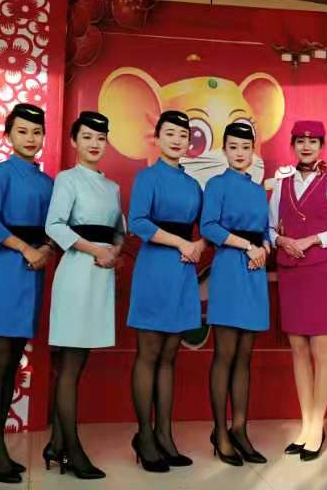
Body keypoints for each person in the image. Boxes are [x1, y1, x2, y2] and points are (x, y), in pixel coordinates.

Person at [0, 103, 54, 483]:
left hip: (34, 272)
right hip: (7, 269)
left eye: (36, 132)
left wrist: (46, 251)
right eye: (22, 131)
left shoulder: (48, 182)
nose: (30, 138)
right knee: (0, 359)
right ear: (8, 135)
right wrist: (26, 249)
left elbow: (54, 226)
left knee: (15, 360)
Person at [269, 120, 327, 461]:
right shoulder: (282, 184)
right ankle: (306, 424)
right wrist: (280, 240)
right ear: (293, 145)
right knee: (298, 350)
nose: (306, 147)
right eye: (300, 142)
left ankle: (317, 425)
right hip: (291, 273)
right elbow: (269, 227)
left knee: (320, 350)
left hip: (319, 273)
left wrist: (313, 239)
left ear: (322, 147)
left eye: (313, 142)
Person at [44, 111, 125, 479]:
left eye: (101, 138)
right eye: (87, 137)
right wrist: (96, 251)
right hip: (77, 273)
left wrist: (115, 252)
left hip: (102, 277)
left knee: (79, 363)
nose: (95, 144)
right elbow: (54, 224)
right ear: (74, 141)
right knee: (70, 364)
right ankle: (72, 451)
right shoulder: (67, 179)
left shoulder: (113, 187)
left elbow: (118, 230)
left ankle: (55, 445)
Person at [127, 110, 204, 473]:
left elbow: (207, 226)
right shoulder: (147, 177)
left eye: (183, 134)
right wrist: (181, 243)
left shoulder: (193, 185)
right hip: (155, 268)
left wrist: (200, 244)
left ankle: (165, 435)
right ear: (156, 138)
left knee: (171, 355)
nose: (176, 140)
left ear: (189, 142)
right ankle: (144, 436)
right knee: (149, 353)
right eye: (169, 133)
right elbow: (138, 222)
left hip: (184, 272)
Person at [200, 122, 270, 467]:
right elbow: (208, 227)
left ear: (253, 151)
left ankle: (240, 428)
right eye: (233, 147)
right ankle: (220, 431)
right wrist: (247, 246)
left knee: (245, 356)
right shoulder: (216, 184)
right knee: (225, 354)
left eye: (245, 147)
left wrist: (265, 247)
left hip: (255, 271)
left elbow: (265, 229)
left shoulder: (258, 190)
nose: (240, 153)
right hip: (229, 268)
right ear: (224, 150)